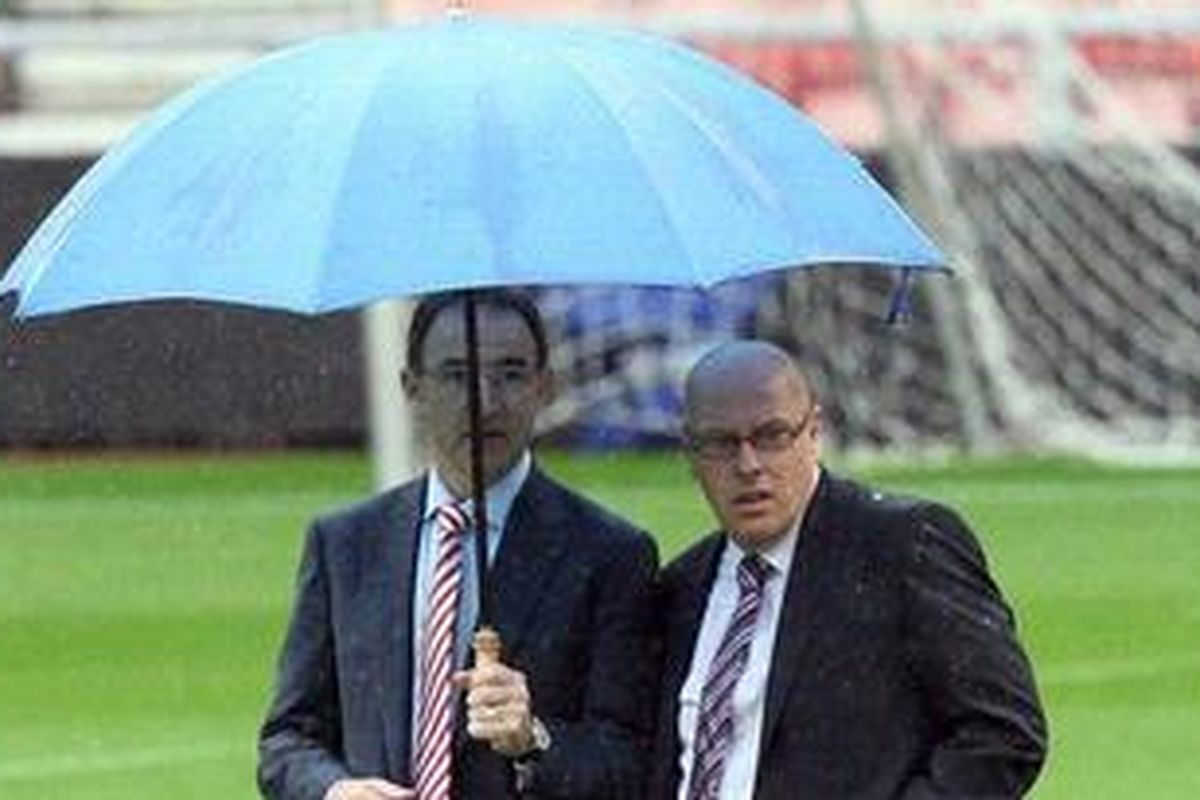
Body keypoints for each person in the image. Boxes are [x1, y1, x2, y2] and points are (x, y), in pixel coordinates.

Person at [258, 289, 659, 800]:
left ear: (545, 386)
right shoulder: (345, 546)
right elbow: (287, 741)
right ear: (412, 388)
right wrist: (335, 791)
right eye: (456, 375)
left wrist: (533, 739)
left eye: (511, 374)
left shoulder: (610, 555)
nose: (485, 401)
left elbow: (630, 764)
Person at [648, 340, 1047, 799]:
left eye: (772, 436)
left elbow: (1004, 735)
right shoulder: (680, 588)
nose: (749, 465)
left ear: (813, 432)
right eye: (721, 444)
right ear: (690, 455)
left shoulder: (903, 546)